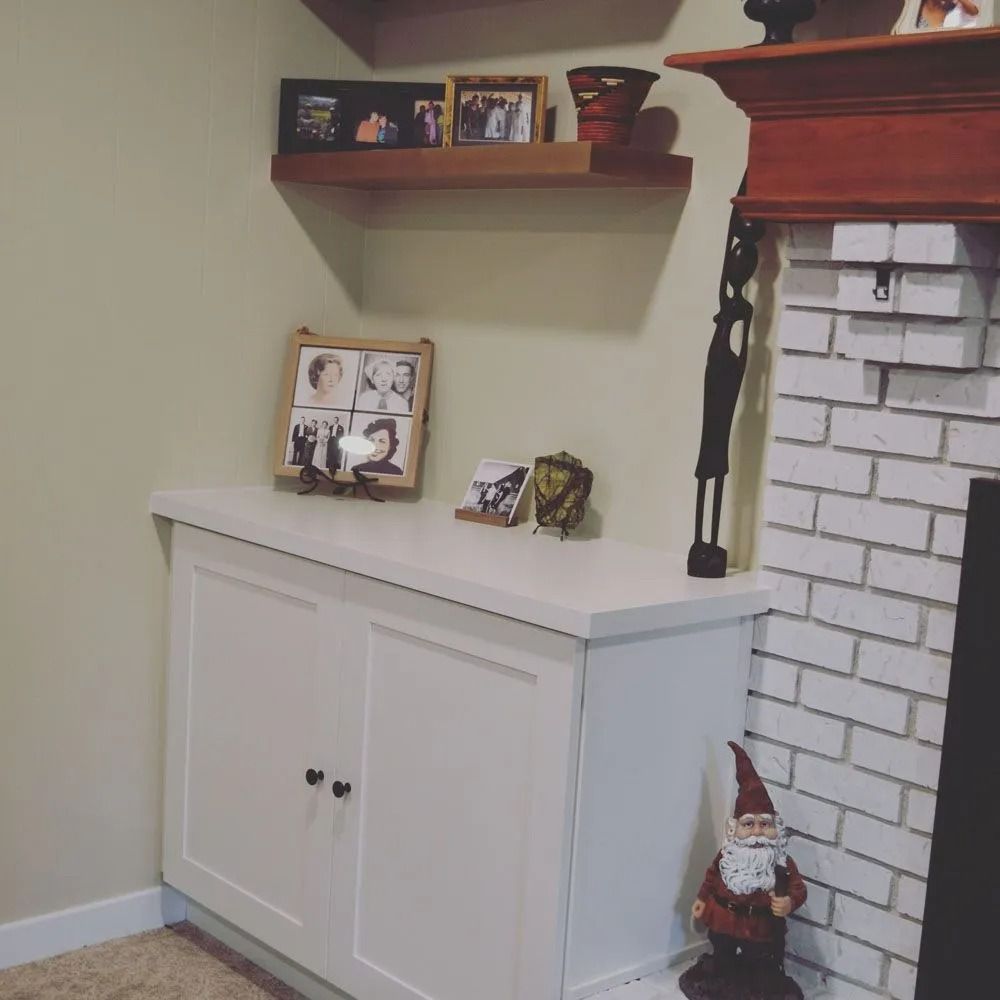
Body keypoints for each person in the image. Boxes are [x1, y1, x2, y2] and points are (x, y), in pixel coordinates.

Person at [680, 742, 807, 999]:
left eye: (765, 824)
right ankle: (721, 979)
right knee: (723, 955)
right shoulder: (729, 855)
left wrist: (789, 902)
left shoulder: (780, 862)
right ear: (734, 829)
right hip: (723, 922)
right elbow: (711, 875)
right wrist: (701, 899)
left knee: (758, 963)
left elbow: (798, 889)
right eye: (748, 824)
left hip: (760, 929)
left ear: (776, 829)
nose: (757, 831)